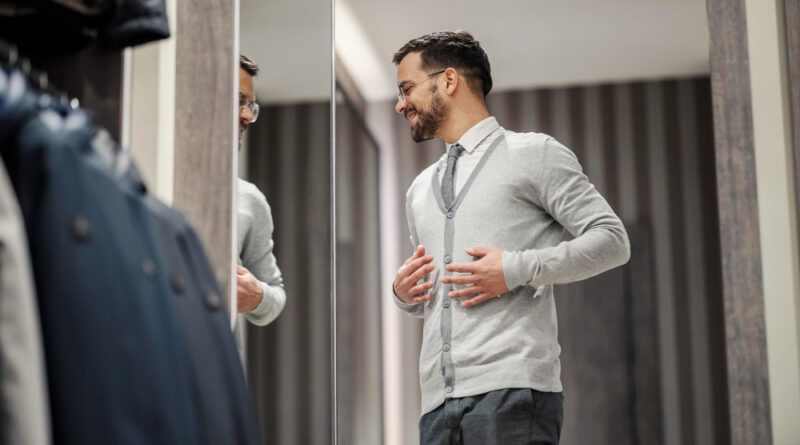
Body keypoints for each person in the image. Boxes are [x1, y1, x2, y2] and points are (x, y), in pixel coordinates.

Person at [391, 31, 630, 445]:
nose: (400, 103)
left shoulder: (534, 154)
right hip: (435, 408)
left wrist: (515, 268)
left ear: (449, 80)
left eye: (407, 88)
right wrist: (405, 295)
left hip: (512, 397)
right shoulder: (418, 189)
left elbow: (612, 240)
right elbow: (440, 299)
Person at [236, 54, 286, 328]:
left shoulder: (249, 199)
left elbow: (275, 293)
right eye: (240, 101)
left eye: (250, 106)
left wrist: (257, 297)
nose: (247, 116)